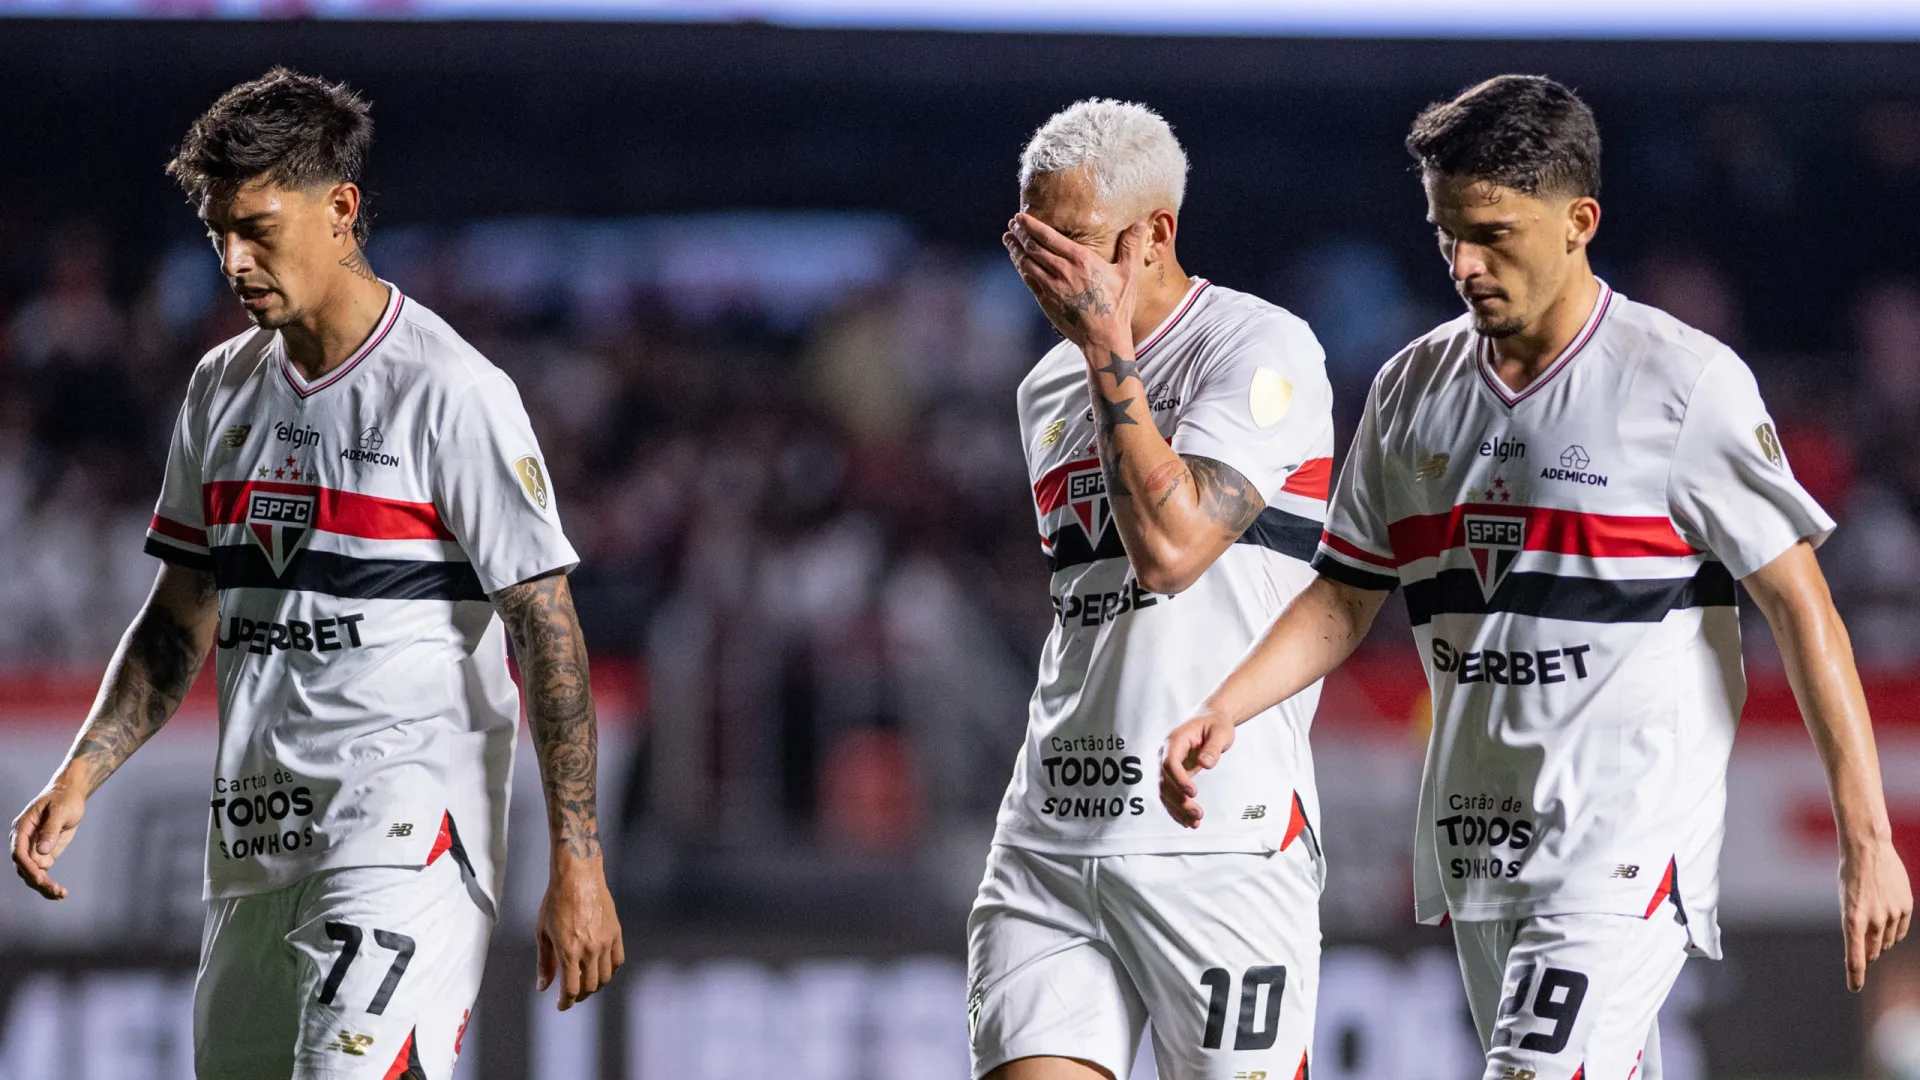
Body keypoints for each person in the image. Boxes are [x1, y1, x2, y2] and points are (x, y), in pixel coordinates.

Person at [1160, 74, 1913, 1079]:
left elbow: (1802, 608)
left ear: (1579, 221)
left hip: (1624, 846)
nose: (1465, 266)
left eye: (1492, 233)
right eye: (1445, 238)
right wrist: (1229, 705)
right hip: (1479, 853)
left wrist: (1867, 837)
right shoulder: (1410, 389)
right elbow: (1345, 595)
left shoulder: (1682, 384)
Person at [7, 68, 624, 1080]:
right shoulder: (222, 389)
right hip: (254, 848)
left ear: (340, 211)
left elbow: (544, 623)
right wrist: (82, 770)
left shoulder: (451, 390)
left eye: (257, 227)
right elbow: (177, 618)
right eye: (217, 234)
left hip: (405, 841)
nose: (234, 261)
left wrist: (580, 861)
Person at [979, 98, 1336, 1080]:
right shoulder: (1045, 388)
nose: (1049, 272)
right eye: (1032, 238)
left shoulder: (1262, 350)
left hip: (1218, 838)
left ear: (1155, 236)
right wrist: (1092, 352)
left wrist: (1106, 348)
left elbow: (1174, 554)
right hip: (1052, 834)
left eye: (1077, 242)